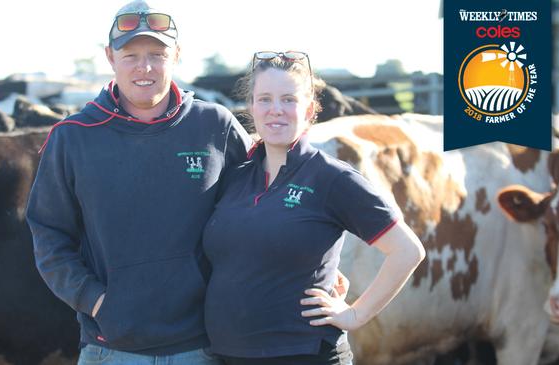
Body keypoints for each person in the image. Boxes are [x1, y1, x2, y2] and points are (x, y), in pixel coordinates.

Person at [25, 1, 251, 364]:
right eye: (130, 55)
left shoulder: (215, 125)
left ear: (177, 54)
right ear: (110, 57)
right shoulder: (73, 136)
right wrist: (96, 301)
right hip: (110, 348)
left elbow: (265, 207)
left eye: (157, 54)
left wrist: (314, 267)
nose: (144, 67)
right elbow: (48, 235)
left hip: (204, 347)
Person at [201, 51, 426, 365]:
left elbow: (407, 251)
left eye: (288, 99)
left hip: (305, 354)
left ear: (309, 110)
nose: (275, 110)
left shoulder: (332, 177)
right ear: (251, 106)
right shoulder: (235, 176)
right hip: (229, 355)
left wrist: (355, 313)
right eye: (264, 99)